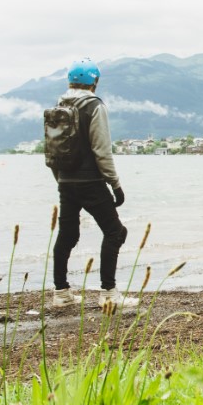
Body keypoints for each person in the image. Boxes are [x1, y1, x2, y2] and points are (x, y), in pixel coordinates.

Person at [51, 58, 139, 309]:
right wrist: (115, 184)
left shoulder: (58, 106)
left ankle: (61, 293)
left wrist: (60, 180)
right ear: (95, 82)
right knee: (116, 232)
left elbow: (53, 150)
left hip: (65, 180)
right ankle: (109, 294)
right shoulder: (94, 106)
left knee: (67, 234)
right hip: (90, 181)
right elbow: (102, 150)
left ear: (70, 81)